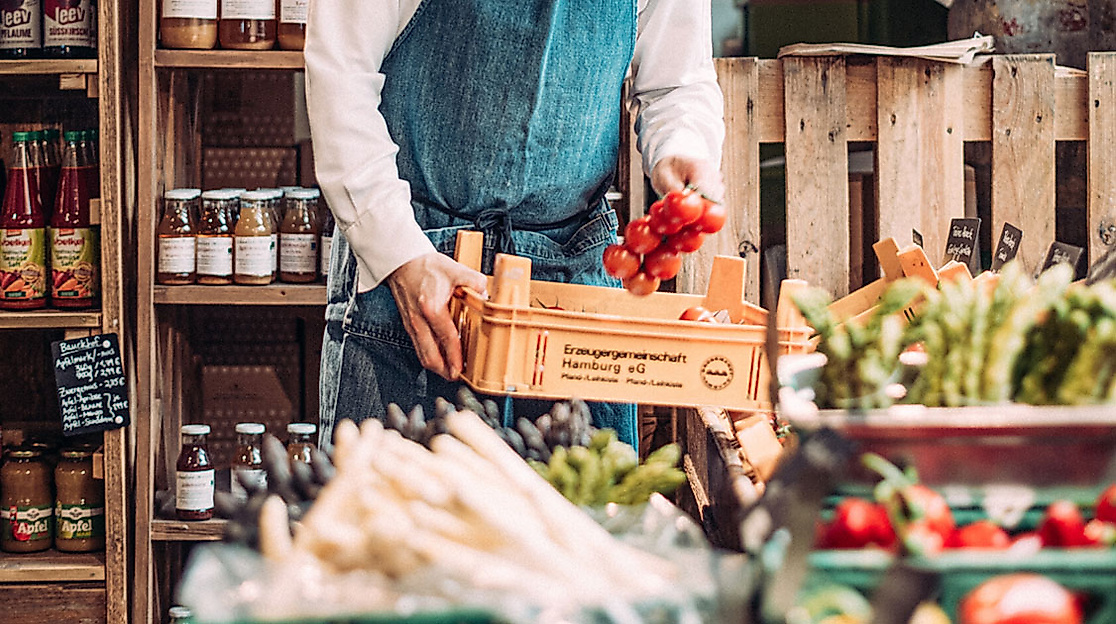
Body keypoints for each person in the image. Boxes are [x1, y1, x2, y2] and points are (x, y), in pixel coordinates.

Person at [305, 0, 725, 450]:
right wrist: (398, 251)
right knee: (394, 513)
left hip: (572, 287)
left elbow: (676, 83)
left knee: (577, 513)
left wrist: (682, 142)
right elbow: (341, 74)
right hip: (422, 269)